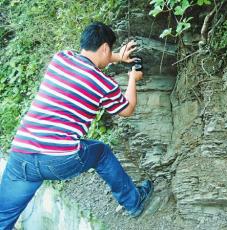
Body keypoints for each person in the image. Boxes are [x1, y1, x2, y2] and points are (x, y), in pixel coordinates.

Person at [0, 22, 153, 229]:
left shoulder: (60, 58)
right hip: (58, 158)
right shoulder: (103, 84)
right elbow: (127, 109)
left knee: (3, 217)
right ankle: (133, 202)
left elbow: (91, 60)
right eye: (110, 51)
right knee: (101, 152)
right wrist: (133, 78)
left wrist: (118, 57)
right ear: (106, 47)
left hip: (21, 154)